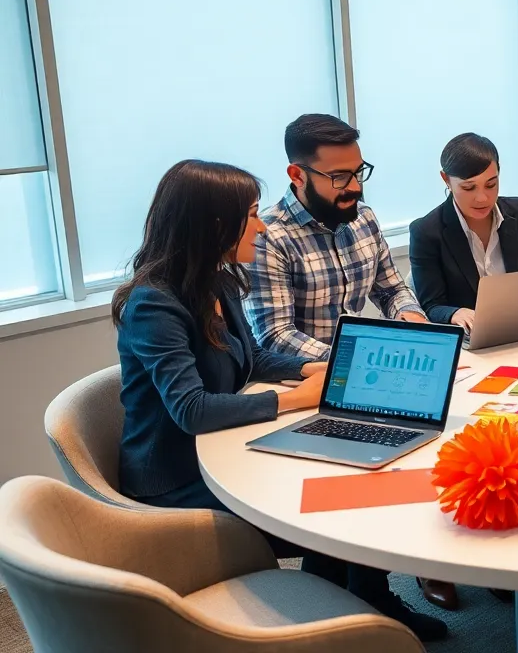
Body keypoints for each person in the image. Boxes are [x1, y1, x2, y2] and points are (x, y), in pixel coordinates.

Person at [114, 160, 447, 642]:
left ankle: (354, 607)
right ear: (214, 225)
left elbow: (251, 358)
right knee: (328, 506)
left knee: (344, 481)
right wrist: (292, 401)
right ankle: (333, 623)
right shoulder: (154, 303)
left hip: (223, 449)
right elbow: (192, 410)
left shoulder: (218, 280)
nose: (261, 224)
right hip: (177, 480)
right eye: (250, 214)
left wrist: (312, 369)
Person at [243, 113, 462, 612]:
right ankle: (363, 601)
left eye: (358, 172)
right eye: (338, 176)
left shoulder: (360, 217)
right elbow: (274, 337)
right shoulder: (269, 238)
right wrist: (366, 361)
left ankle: (370, 591)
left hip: (366, 376)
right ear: (296, 175)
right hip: (308, 386)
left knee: (434, 439)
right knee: (365, 480)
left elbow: (391, 287)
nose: (351, 188)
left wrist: (411, 322)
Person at [409, 132, 518, 333]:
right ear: (446, 180)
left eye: (491, 184)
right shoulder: (426, 232)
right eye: (469, 188)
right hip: (471, 341)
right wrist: (455, 313)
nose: (482, 198)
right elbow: (432, 305)